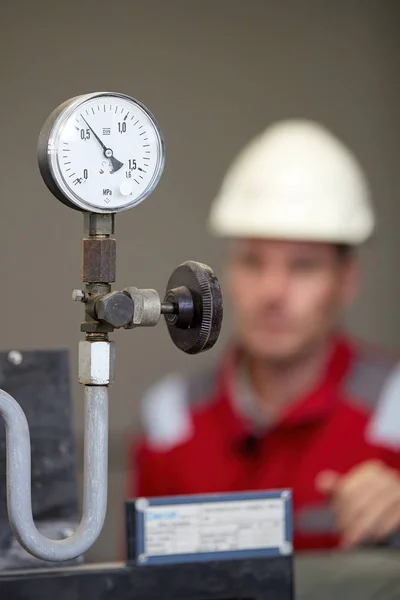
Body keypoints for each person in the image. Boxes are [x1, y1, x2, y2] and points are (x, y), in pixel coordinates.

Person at [127, 120, 400, 552]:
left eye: (303, 266)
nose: (272, 292)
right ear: (227, 275)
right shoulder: (171, 420)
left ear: (346, 280)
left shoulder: (394, 411)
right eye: (254, 262)